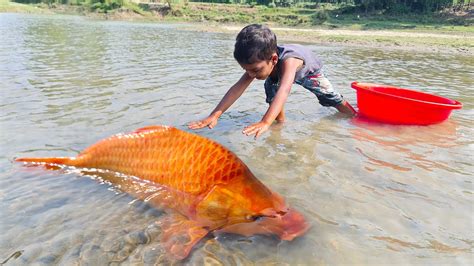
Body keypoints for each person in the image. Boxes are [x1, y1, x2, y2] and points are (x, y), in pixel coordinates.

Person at [188, 24, 356, 139]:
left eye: (255, 70)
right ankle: (279, 124)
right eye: (246, 70)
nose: (251, 75)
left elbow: (285, 90)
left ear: (273, 59)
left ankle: (355, 116)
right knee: (272, 97)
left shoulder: (289, 61)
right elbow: (237, 88)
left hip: (309, 72)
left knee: (331, 97)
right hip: (275, 73)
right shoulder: (259, 62)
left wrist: (264, 121)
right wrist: (214, 115)